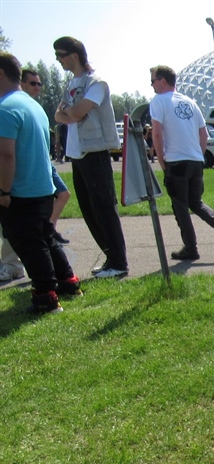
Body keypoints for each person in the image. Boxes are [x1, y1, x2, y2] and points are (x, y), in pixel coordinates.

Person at [0, 52, 83, 313]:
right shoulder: (33, 106)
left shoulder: (5, 108)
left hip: (20, 190)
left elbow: (6, 155)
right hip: (42, 188)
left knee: (29, 243)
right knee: (45, 238)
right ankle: (68, 282)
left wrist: (3, 190)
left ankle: (46, 296)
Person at [53, 36, 128, 278]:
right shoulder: (71, 83)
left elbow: (75, 112)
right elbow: (59, 115)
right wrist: (70, 112)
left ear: (74, 55)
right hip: (77, 155)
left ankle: (119, 263)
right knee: (89, 210)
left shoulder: (96, 83)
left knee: (104, 209)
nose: (58, 60)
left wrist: (69, 111)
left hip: (94, 153)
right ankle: (110, 258)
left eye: (60, 55)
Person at [148, 65, 214, 261]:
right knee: (195, 202)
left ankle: (191, 248)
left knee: (180, 206)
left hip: (176, 161)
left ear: (162, 81)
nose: (152, 85)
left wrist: (161, 159)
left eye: (153, 81)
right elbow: (203, 134)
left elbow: (157, 133)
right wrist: (198, 155)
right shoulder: (190, 102)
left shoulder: (158, 101)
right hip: (196, 160)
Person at [21, 69, 72, 245]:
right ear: (21, 84)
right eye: (33, 83)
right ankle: (46, 231)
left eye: (39, 84)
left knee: (63, 193)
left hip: (45, 163)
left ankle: (50, 228)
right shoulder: (16, 106)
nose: (37, 87)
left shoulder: (36, 107)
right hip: (30, 164)